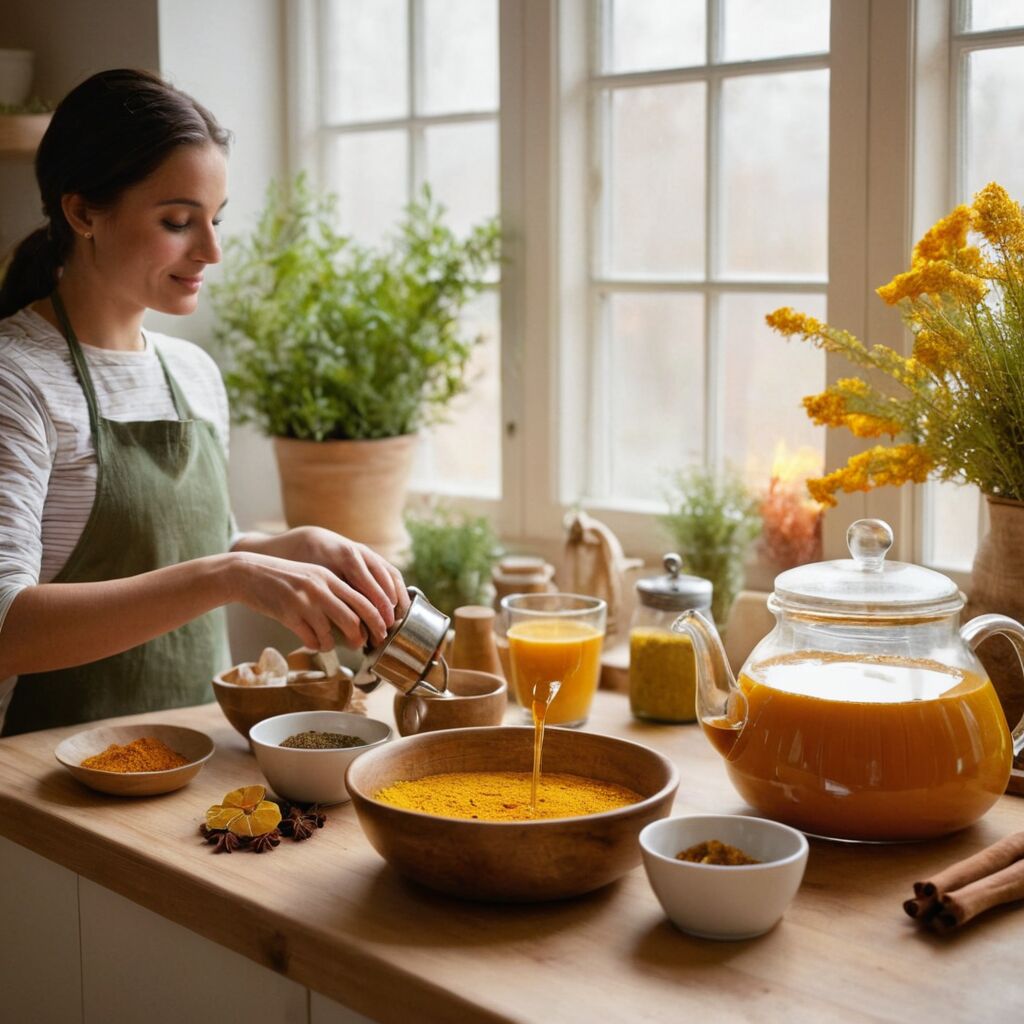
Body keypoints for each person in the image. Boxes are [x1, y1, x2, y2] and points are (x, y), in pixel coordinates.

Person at [0, 69, 408, 736]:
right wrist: (230, 573)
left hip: (192, 764)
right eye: (178, 221)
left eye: (215, 221)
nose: (212, 251)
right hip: (42, 794)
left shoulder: (190, 373)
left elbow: (183, 548)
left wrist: (281, 548)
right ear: (82, 213)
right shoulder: (16, 380)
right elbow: (4, 630)